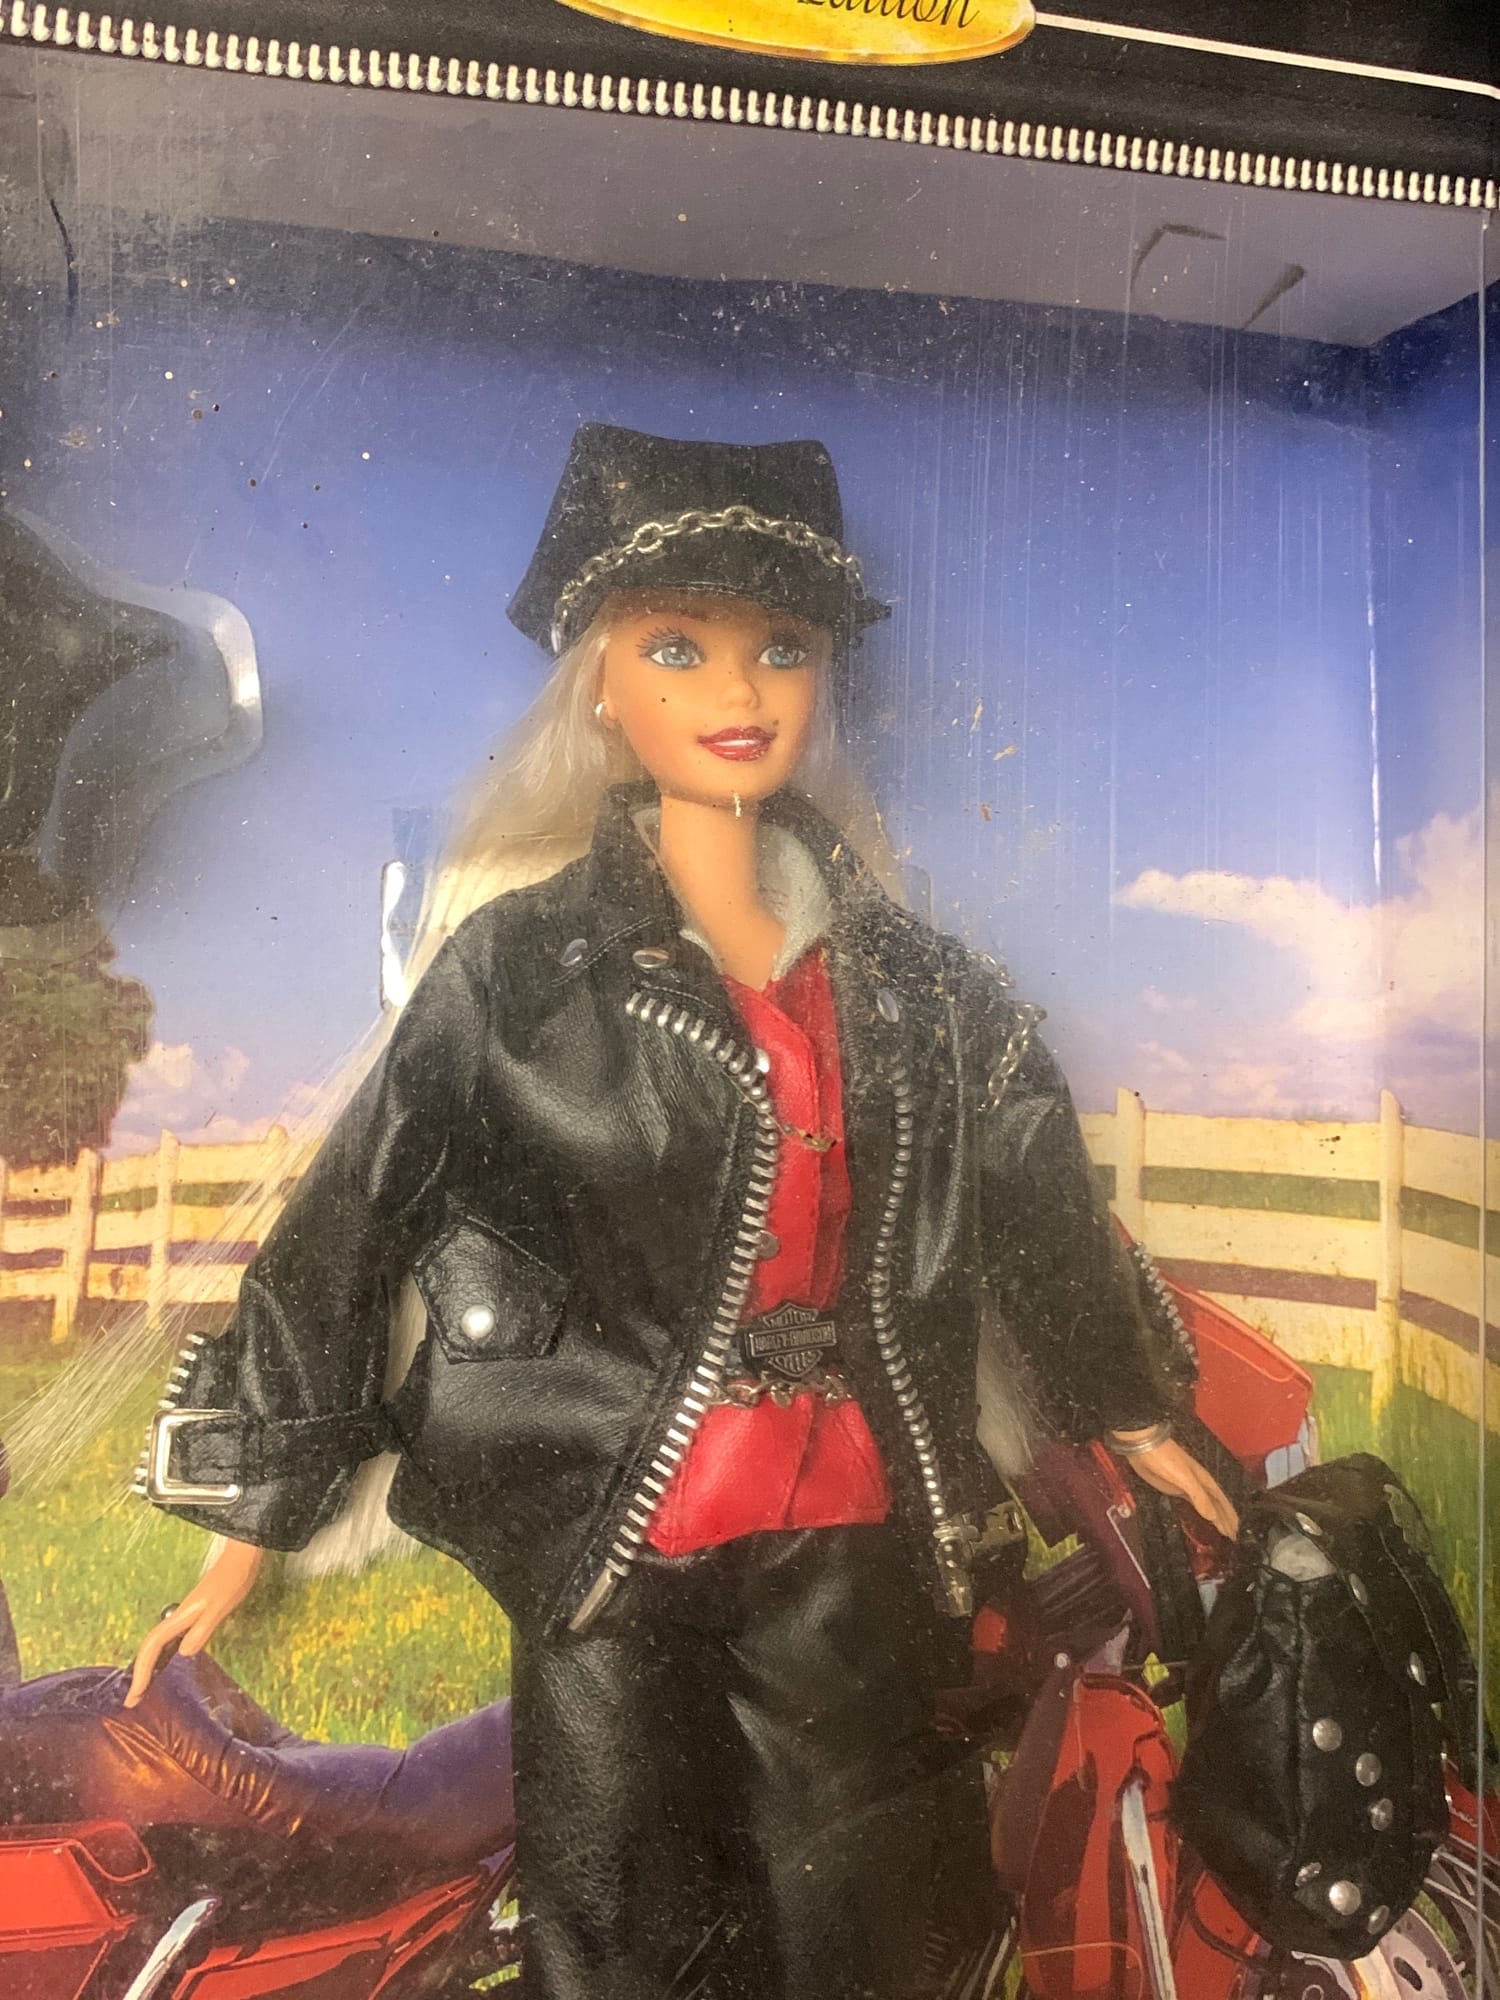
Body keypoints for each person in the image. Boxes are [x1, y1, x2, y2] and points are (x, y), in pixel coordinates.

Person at [128, 424, 1236, 2000]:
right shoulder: (519, 974)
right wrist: (255, 1511)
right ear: (601, 683)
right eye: (677, 647)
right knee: (621, 1926)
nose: (740, 691)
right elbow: (355, 1210)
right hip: (611, 1523)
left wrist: (1128, 1405)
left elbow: (1035, 1195)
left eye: (782, 647)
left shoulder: (918, 988)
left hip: (850, 1514)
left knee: (871, 1916)